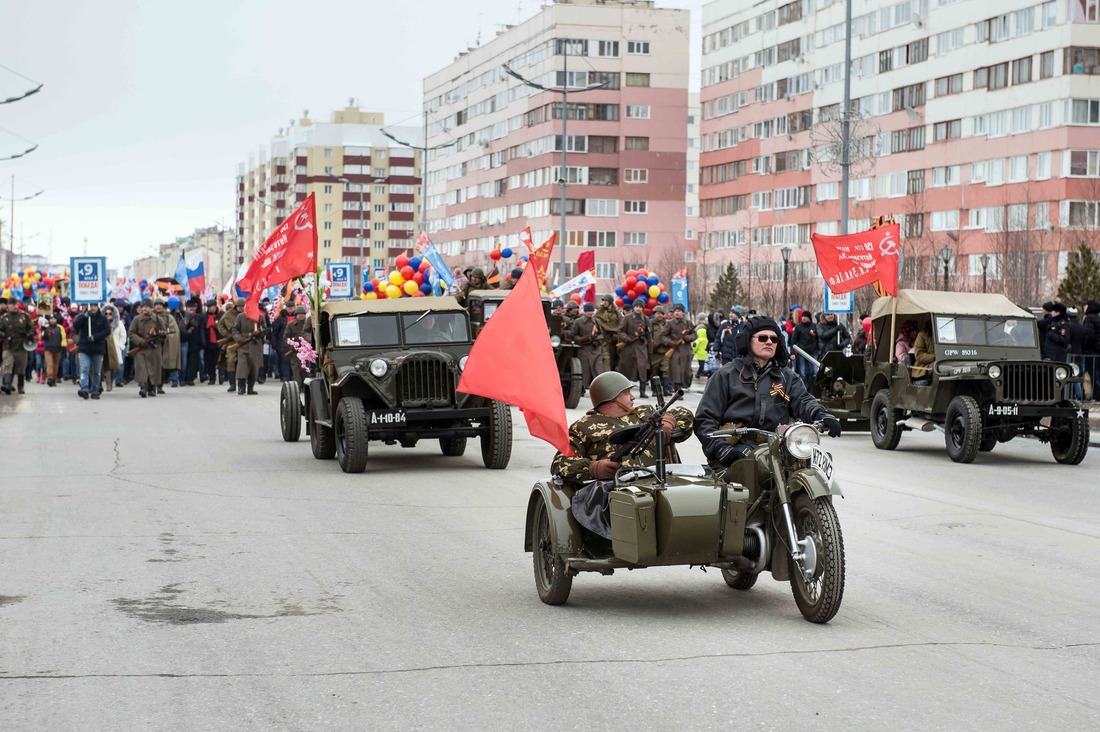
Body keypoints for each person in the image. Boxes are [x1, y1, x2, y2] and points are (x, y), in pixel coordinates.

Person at [550, 371, 695, 539]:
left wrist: (670, 420)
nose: (632, 397)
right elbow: (560, 463)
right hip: (620, 492)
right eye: (626, 393)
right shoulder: (583, 427)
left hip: (664, 481)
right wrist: (594, 468)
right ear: (610, 397)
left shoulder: (645, 413)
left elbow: (685, 414)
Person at [695, 317, 840, 467]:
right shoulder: (726, 375)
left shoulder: (788, 378)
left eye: (774, 339)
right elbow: (704, 420)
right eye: (763, 337)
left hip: (777, 448)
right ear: (748, 340)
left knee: (808, 473)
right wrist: (720, 448)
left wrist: (822, 415)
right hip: (734, 451)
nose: (769, 342)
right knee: (739, 484)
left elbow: (804, 401)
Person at [71, 302, 111, 400]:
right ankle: (84, 389)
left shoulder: (102, 318)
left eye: (95, 306)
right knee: (84, 368)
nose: (93, 308)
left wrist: (95, 337)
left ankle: (95, 390)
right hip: (85, 347)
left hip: (98, 348)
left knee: (97, 371)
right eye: (91, 306)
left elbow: (107, 330)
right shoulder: (82, 317)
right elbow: (75, 326)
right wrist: (84, 317)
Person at [127, 298, 165, 398]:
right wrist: (140, 341)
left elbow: (164, 334)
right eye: (143, 307)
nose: (145, 309)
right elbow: (131, 333)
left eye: (147, 307)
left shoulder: (158, 319)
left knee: (153, 369)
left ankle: (152, 387)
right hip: (141, 348)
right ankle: (143, 387)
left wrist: (161, 335)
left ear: (151, 308)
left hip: (154, 348)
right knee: (142, 368)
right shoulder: (137, 319)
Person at [0, 297, 36, 394]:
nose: (15, 306)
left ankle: (20, 386)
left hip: (21, 346)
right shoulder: (4, 318)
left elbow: (32, 327)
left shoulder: (24, 316)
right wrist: (4, 335)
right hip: (8, 345)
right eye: (12, 305)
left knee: (21, 367)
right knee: (8, 364)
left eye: (16, 304)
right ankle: (7, 385)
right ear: (9, 305)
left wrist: (30, 334)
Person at [616, 300, 650, 398]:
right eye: (636, 306)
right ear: (633, 307)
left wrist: (649, 349)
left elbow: (649, 336)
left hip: (641, 348)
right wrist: (627, 339)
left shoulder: (645, 319)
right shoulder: (627, 318)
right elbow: (621, 331)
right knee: (625, 369)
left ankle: (642, 391)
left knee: (642, 369)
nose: (638, 308)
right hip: (628, 347)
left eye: (640, 307)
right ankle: (623, 391)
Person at [231, 300, 265, 395]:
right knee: (242, 366)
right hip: (243, 344)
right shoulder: (240, 317)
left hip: (255, 345)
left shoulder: (260, 317)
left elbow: (265, 329)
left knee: (254, 367)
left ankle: (250, 387)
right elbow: (235, 329)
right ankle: (241, 387)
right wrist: (239, 339)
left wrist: (259, 332)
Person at [568, 302, 604, 390]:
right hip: (583, 348)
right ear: (584, 311)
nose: (590, 313)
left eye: (592, 311)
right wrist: (581, 339)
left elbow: (601, 334)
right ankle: (581, 388)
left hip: (595, 348)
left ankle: (598, 387)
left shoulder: (596, 321)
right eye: (588, 311)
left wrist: (597, 340)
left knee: (598, 368)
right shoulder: (578, 321)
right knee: (584, 369)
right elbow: (573, 335)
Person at [664, 304, 697, 393]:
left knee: (685, 369)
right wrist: (670, 342)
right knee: (676, 369)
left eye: (679, 311)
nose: (677, 313)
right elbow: (663, 336)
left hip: (685, 349)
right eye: (675, 311)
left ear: (683, 313)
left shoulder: (688, 323)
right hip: (675, 349)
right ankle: (677, 389)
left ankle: (684, 385)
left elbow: (695, 334)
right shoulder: (670, 323)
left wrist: (689, 338)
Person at [282, 305, 313, 385]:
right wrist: (293, 346)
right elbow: (286, 337)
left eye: (303, 313)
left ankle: (306, 385)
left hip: (307, 351)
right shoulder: (290, 325)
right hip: (295, 352)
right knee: (295, 370)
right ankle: (298, 386)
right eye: (299, 313)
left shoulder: (309, 323)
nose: (301, 315)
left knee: (305, 369)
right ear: (295, 315)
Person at [217, 298, 243, 391]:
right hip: (231, 341)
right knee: (231, 361)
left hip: (243, 341)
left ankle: (241, 384)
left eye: (243, 306)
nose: (241, 308)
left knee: (242, 363)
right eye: (240, 306)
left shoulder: (247, 314)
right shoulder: (228, 314)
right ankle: (232, 384)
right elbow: (220, 325)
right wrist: (227, 335)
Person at [789, 311, 818, 390]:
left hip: (813, 352)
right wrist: (792, 353)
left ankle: (810, 388)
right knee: (802, 373)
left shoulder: (815, 326)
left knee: (814, 372)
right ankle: (805, 390)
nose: (803, 318)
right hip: (802, 352)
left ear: (809, 318)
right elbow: (793, 340)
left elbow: (818, 339)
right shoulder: (799, 327)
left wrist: (818, 350)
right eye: (802, 316)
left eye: (805, 316)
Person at [593, 294, 623, 372]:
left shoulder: (616, 313)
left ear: (610, 302)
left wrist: (617, 335)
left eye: (606, 301)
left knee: (615, 358)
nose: (604, 302)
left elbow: (622, 324)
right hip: (604, 338)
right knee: (606, 358)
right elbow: (595, 321)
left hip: (614, 339)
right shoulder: (600, 312)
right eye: (603, 301)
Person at [158, 298, 181, 391]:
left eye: (160, 305)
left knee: (165, 365)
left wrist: (166, 336)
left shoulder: (169, 317)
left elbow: (174, 331)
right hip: (153, 345)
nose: (158, 306)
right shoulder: (149, 316)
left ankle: (161, 385)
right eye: (156, 305)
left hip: (165, 344)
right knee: (154, 367)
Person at [648, 306, 671, 394]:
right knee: (654, 371)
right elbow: (647, 335)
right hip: (654, 352)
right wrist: (652, 343)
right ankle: (655, 390)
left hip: (665, 351)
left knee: (666, 370)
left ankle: (666, 389)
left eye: (661, 313)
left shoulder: (666, 324)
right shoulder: (650, 323)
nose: (659, 315)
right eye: (658, 313)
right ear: (654, 314)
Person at [104, 304, 127, 391]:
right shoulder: (102, 322)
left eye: (110, 313)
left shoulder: (119, 323)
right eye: (106, 313)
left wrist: (121, 345)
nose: (108, 315)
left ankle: (111, 380)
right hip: (104, 346)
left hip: (115, 347)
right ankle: (108, 383)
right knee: (106, 366)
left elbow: (123, 335)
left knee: (114, 366)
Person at [41, 312, 66, 386]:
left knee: (55, 364)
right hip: (48, 348)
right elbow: (41, 337)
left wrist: (63, 345)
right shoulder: (45, 326)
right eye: (51, 319)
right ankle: (50, 377)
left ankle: (54, 378)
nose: (52, 320)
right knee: (50, 364)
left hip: (57, 348)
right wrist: (43, 331)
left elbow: (63, 337)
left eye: (54, 319)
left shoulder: (60, 327)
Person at [200, 299, 221, 386]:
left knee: (219, 360)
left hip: (219, 341)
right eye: (208, 307)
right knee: (209, 361)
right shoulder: (204, 316)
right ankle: (212, 377)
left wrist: (216, 327)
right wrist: (203, 338)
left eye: (211, 307)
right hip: (209, 342)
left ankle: (221, 376)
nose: (209, 309)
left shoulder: (221, 315)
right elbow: (202, 328)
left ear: (215, 306)